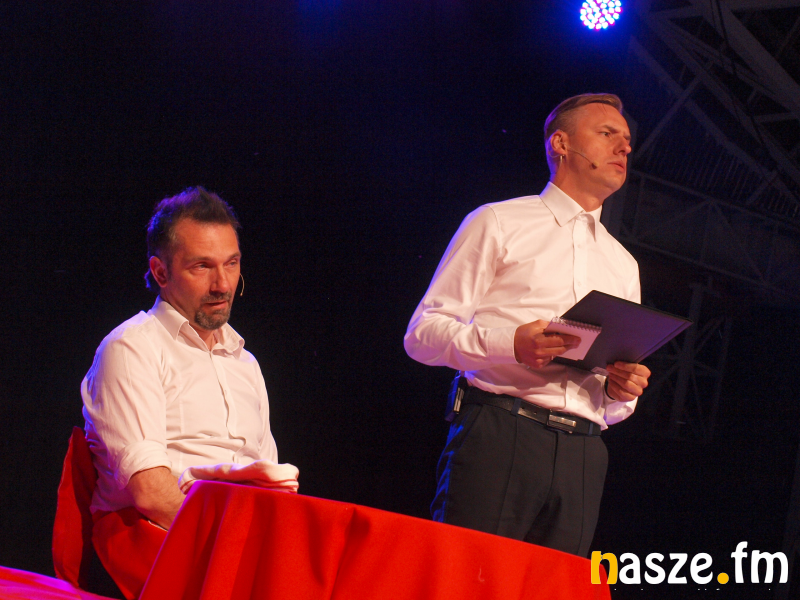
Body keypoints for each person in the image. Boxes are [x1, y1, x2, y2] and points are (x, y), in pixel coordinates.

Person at [404, 93, 651, 557]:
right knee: (469, 580)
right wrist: (511, 345)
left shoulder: (623, 264)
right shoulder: (499, 221)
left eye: (627, 140)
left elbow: (615, 393)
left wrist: (622, 391)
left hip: (584, 452)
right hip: (502, 432)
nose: (624, 147)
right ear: (561, 144)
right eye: (607, 134)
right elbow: (422, 335)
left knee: (553, 587)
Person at [81, 187, 281, 598]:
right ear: (160, 272)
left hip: (235, 547)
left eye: (231, 263)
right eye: (201, 266)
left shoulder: (246, 364)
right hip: (157, 542)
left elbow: (270, 480)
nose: (222, 284)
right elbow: (151, 492)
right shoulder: (132, 347)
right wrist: (231, 551)